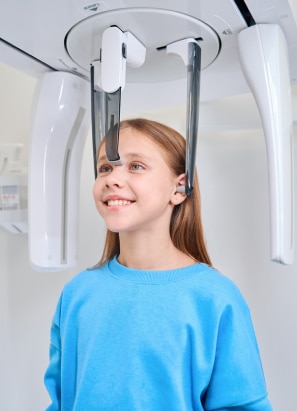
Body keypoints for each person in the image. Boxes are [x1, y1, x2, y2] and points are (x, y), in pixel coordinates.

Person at [44, 118, 273, 410]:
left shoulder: (215, 299)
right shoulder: (77, 294)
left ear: (179, 188)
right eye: (105, 167)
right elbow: (61, 401)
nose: (112, 178)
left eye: (136, 166)